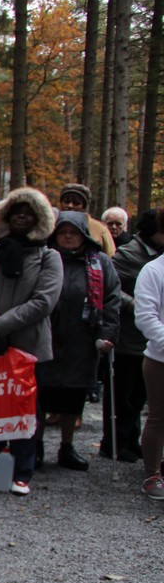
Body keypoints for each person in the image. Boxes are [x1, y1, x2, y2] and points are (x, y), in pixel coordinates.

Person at [0, 187, 61, 494]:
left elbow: (44, 301)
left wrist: (0, 324)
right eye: (16, 212)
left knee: (26, 405)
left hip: (29, 344)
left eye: (28, 213)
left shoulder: (49, 256)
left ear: (39, 219)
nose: (22, 217)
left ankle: (24, 471)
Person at [34, 212, 119, 471]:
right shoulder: (45, 257)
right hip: (47, 334)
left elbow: (112, 298)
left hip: (82, 337)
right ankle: (36, 445)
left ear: (84, 235)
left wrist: (107, 333)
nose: (68, 237)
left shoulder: (100, 262)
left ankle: (67, 446)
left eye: (73, 232)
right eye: (63, 232)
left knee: (73, 395)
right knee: (42, 392)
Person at [104, 208, 164, 462]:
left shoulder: (157, 255)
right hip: (128, 335)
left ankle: (132, 440)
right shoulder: (129, 254)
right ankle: (115, 442)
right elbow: (109, 285)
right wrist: (134, 304)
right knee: (123, 394)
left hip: (149, 340)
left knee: (140, 395)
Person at [134, 208, 164, 499]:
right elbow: (145, 317)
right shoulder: (154, 271)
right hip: (160, 359)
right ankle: (152, 475)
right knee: (158, 417)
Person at [59, 183, 117, 257]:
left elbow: (111, 256)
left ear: (84, 207)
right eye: (66, 202)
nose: (70, 206)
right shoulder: (52, 225)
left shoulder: (99, 229)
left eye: (76, 203)